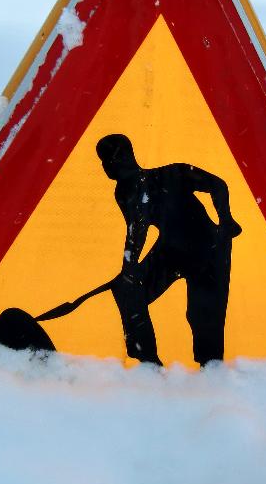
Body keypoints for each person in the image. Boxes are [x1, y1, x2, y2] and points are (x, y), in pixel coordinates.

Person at [95, 134, 242, 366]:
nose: (105, 168)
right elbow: (137, 227)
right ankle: (149, 363)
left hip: (207, 249)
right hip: (172, 250)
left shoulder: (174, 173)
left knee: (203, 316)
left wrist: (225, 220)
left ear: (121, 158)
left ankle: (212, 374)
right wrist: (128, 272)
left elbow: (218, 185)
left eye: (106, 161)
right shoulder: (125, 190)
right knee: (128, 291)